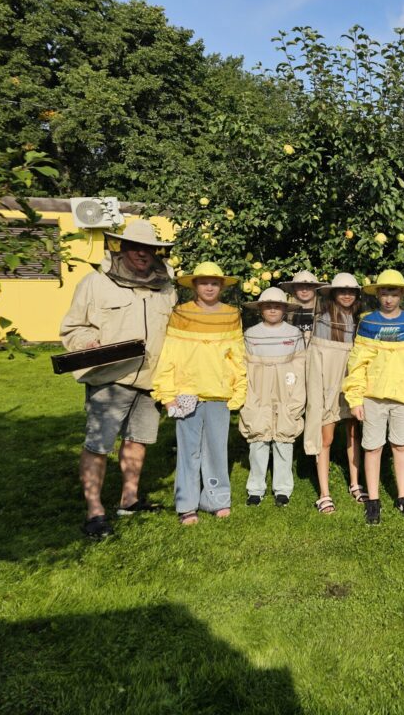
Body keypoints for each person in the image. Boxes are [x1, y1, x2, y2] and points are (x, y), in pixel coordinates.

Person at [59, 219, 177, 539]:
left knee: (138, 439)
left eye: (148, 248)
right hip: (110, 378)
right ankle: (94, 511)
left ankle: (130, 498)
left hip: (152, 379)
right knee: (98, 444)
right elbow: (73, 327)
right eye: (135, 247)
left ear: (156, 252)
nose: (142, 253)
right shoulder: (94, 283)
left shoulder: (166, 287)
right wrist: (87, 344)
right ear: (121, 248)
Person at [152, 262, 246, 525]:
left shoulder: (231, 315)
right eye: (203, 282)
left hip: (219, 393)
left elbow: (237, 357)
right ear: (194, 285)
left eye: (214, 283)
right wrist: (167, 393)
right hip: (187, 393)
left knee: (217, 450)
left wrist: (239, 389)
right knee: (188, 451)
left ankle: (217, 499)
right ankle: (186, 505)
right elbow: (169, 355)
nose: (209, 287)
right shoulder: (181, 314)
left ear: (221, 287)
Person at [343, 269, 404, 525]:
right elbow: (357, 364)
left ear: (402, 294)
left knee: (401, 446)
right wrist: (356, 399)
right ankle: (373, 501)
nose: (389, 298)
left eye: (393, 292)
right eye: (384, 292)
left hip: (403, 398)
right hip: (373, 397)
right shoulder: (369, 323)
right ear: (378, 294)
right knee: (372, 448)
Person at [303, 272, 364, 514]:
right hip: (328, 387)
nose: (347, 295)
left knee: (352, 434)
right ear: (333, 294)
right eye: (342, 291)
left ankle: (356, 484)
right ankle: (324, 494)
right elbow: (316, 363)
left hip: (352, 383)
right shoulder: (323, 321)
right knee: (325, 438)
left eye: (351, 291)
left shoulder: (360, 322)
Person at [240, 287, 306, 507]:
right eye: (268, 306)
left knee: (283, 436)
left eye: (277, 306)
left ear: (285, 309)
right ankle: (255, 489)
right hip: (258, 389)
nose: (272, 310)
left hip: (286, 387)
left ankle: (282, 489)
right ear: (260, 309)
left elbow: (300, 365)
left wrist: (296, 396)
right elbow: (245, 366)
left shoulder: (294, 333)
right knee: (258, 436)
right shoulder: (251, 334)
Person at [278, 270, 329, 343]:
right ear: (294, 288)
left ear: (315, 288)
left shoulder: (324, 312)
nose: (304, 290)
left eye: (309, 286)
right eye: (300, 286)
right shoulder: (286, 314)